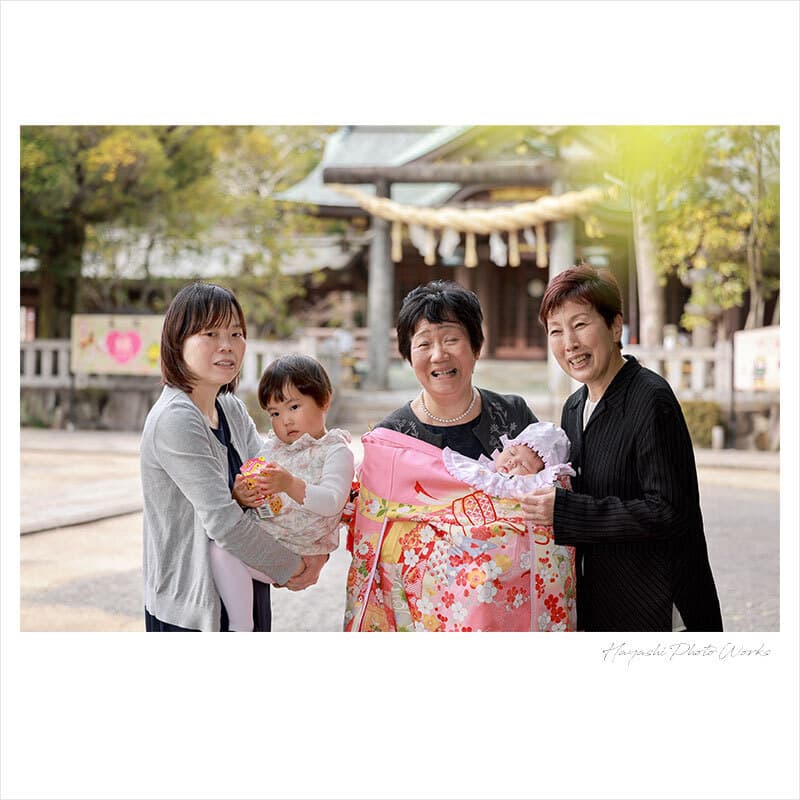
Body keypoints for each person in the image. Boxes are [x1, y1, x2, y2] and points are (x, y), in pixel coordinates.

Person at [520, 264, 723, 632]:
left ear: (615, 326)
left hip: (658, 607)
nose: (570, 343)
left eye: (580, 324)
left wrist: (566, 511)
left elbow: (670, 511)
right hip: (602, 604)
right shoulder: (574, 407)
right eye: (556, 331)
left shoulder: (651, 398)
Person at [344, 280, 539, 632]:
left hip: (508, 616)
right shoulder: (392, 438)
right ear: (408, 355)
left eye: (451, 339)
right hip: (421, 619)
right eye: (424, 343)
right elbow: (372, 536)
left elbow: (549, 496)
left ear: (475, 347)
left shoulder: (513, 416)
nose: (439, 355)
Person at [140, 283, 327, 632]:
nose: (227, 345)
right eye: (210, 333)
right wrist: (293, 567)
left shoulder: (230, 408)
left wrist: (320, 540)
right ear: (177, 341)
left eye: (236, 333)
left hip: (244, 582)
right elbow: (224, 522)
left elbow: (275, 481)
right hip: (193, 605)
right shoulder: (176, 418)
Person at [209, 354, 355, 631]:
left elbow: (333, 501)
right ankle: (242, 624)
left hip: (300, 548)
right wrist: (243, 494)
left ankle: (241, 627)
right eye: (275, 413)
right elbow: (259, 487)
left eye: (294, 407)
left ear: (324, 400)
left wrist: (290, 484)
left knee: (221, 552)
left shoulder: (335, 451)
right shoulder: (274, 447)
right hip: (270, 539)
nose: (285, 421)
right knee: (219, 551)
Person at [442, 420, 579, 631]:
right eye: (512, 452)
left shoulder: (533, 491)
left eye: (523, 465)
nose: (512, 463)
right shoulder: (479, 473)